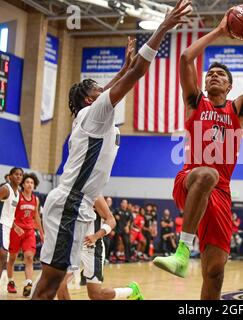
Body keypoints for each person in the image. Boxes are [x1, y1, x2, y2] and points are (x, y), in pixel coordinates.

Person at [31, 2, 191, 300]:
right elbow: (137, 74)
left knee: (53, 284)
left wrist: (123, 66)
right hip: (71, 205)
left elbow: (119, 80)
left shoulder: (89, 115)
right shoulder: (95, 114)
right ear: (91, 100)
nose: (105, 90)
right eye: (98, 90)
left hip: (72, 203)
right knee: (50, 288)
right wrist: (163, 28)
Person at [153, 8, 243, 300]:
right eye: (209, 74)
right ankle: (182, 250)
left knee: (215, 272)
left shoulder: (238, 109)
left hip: (221, 193)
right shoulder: (196, 103)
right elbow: (185, 58)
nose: (213, 77)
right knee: (208, 173)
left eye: (220, 74)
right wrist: (220, 30)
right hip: (190, 179)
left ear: (230, 85)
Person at [56, 196, 143, 300]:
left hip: (92, 249)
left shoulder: (94, 196)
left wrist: (95, 236)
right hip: (74, 248)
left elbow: (111, 220)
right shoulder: (69, 195)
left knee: (95, 295)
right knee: (59, 282)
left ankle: (130, 291)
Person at [6, 172, 44, 296]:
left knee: (29, 257)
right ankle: (11, 282)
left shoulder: (36, 199)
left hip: (29, 232)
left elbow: (36, 216)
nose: (30, 184)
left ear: (35, 185)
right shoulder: (17, 197)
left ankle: (28, 283)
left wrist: (42, 233)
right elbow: (9, 215)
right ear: (23, 184)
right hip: (15, 231)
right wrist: (15, 227)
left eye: (32, 182)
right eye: (27, 182)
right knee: (12, 258)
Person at [0, 168, 23, 285]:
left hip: (7, 227)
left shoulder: (18, 194)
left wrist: (15, 226)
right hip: (1, 224)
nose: (18, 176)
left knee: (3, 258)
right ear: (10, 176)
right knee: (3, 256)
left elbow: (9, 213)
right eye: (16, 174)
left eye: (20, 175)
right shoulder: (5, 189)